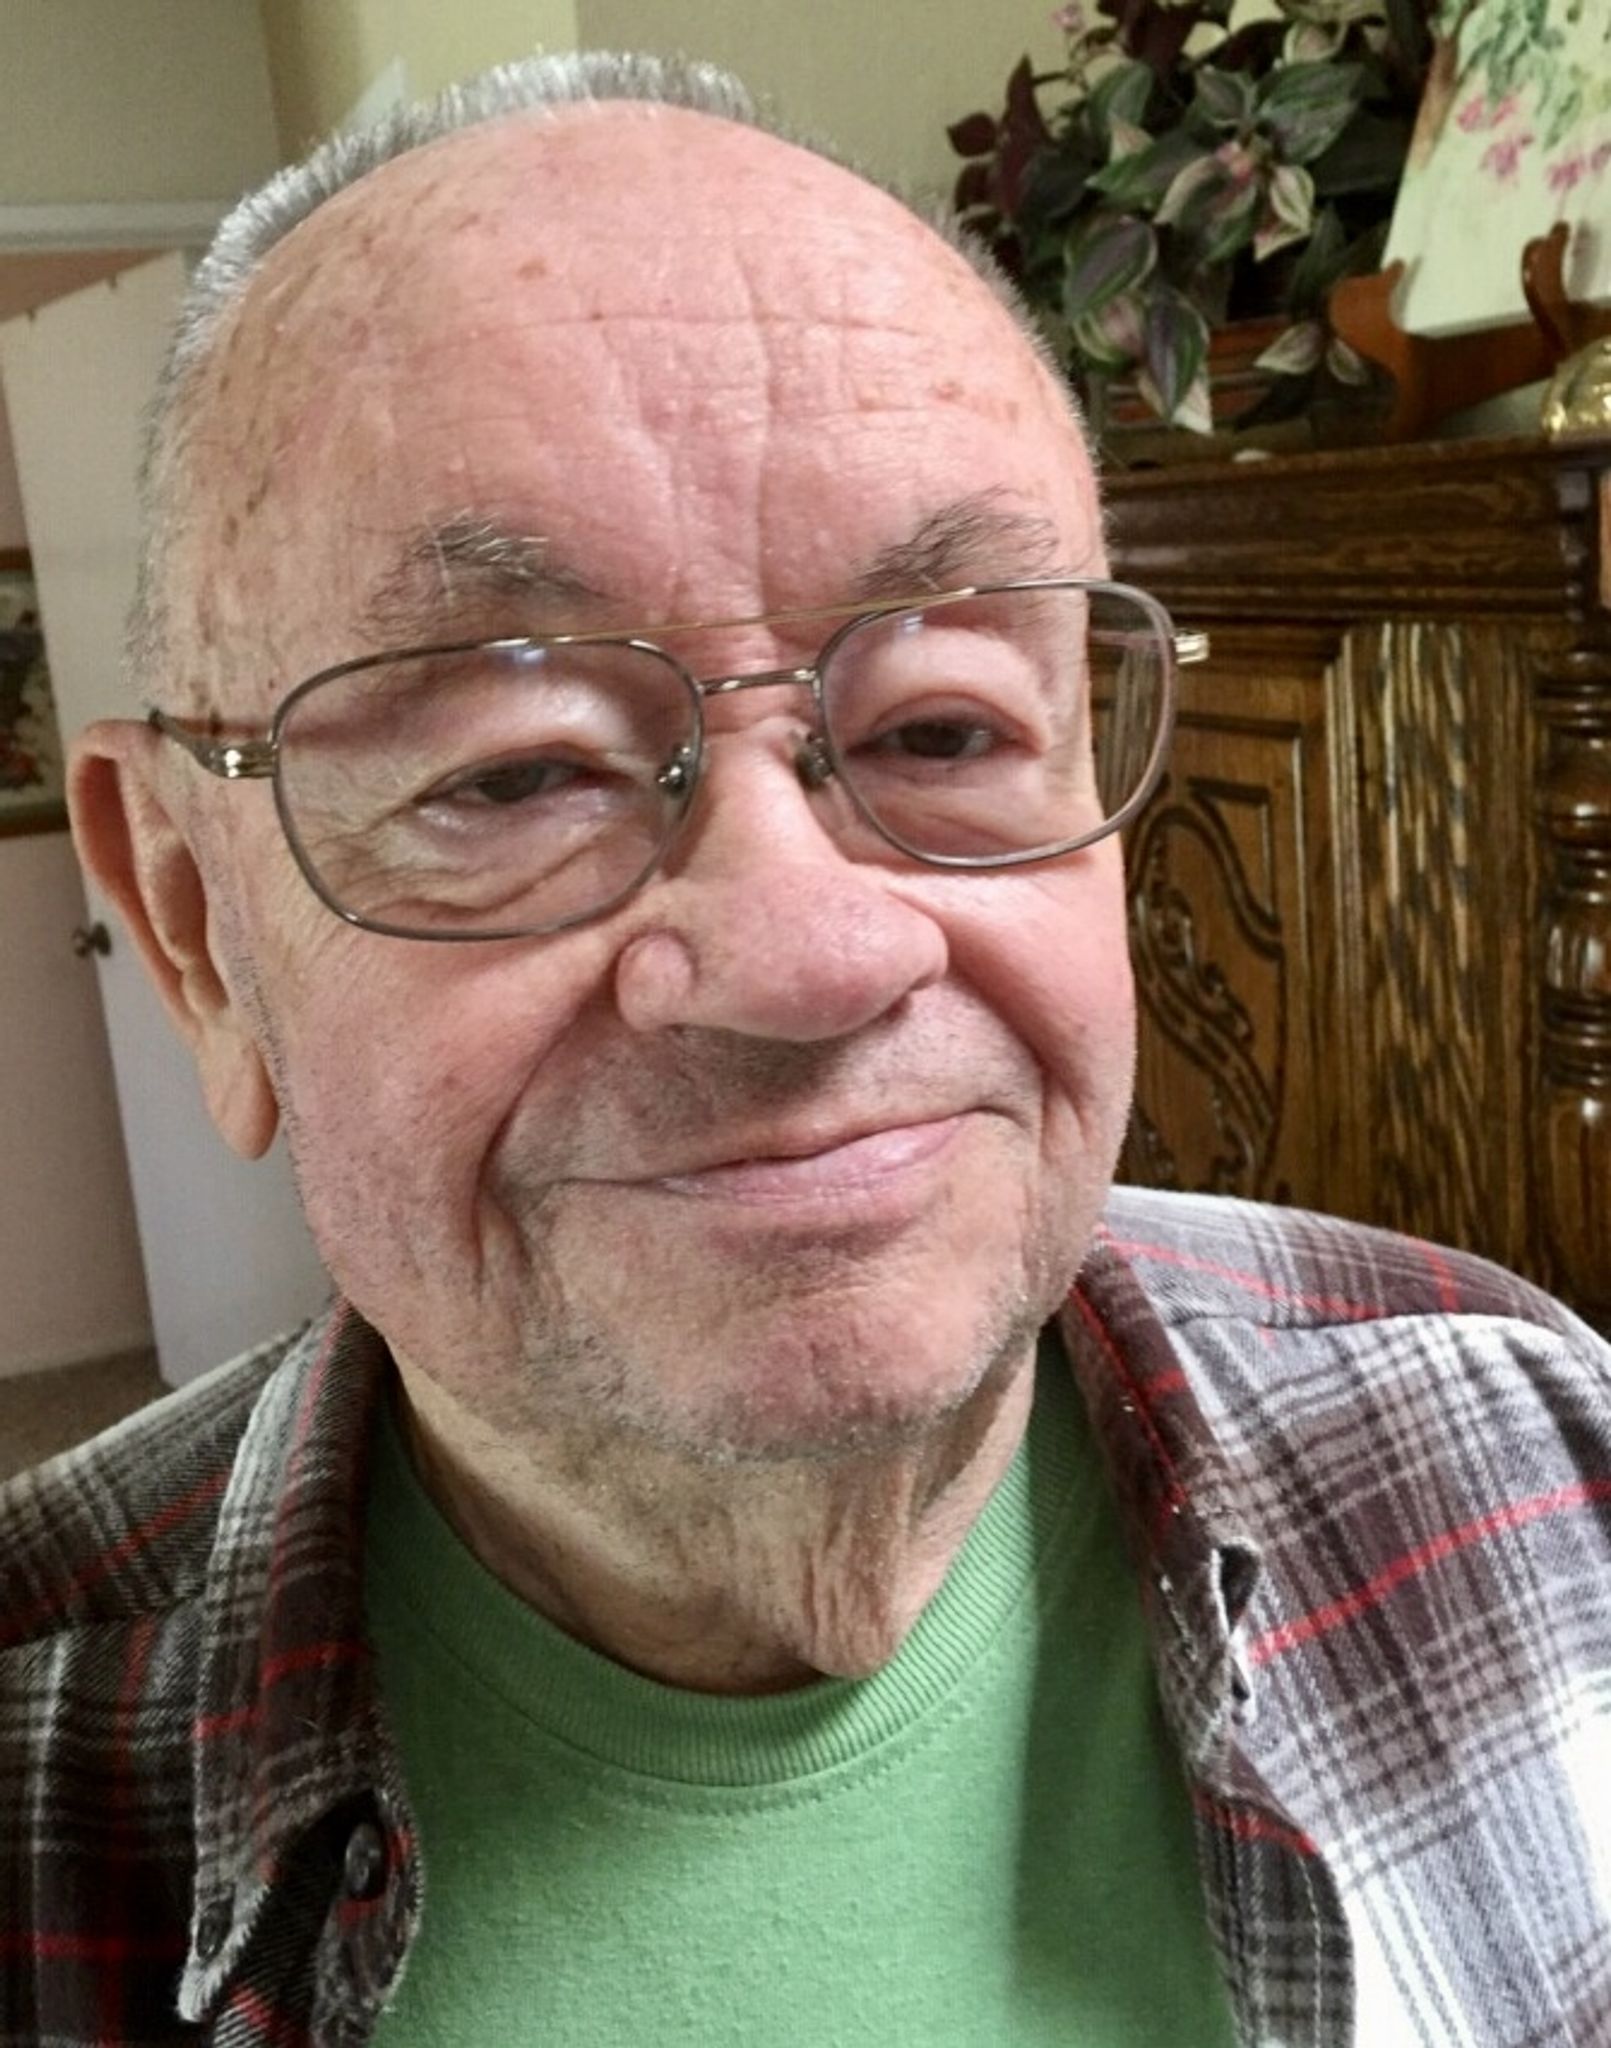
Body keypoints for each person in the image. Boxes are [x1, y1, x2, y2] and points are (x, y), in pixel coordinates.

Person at [2, 49, 1608, 2048]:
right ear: (192, 927)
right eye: (514, 773)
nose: (809, 953)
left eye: (940, 728)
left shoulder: (1524, 1459)